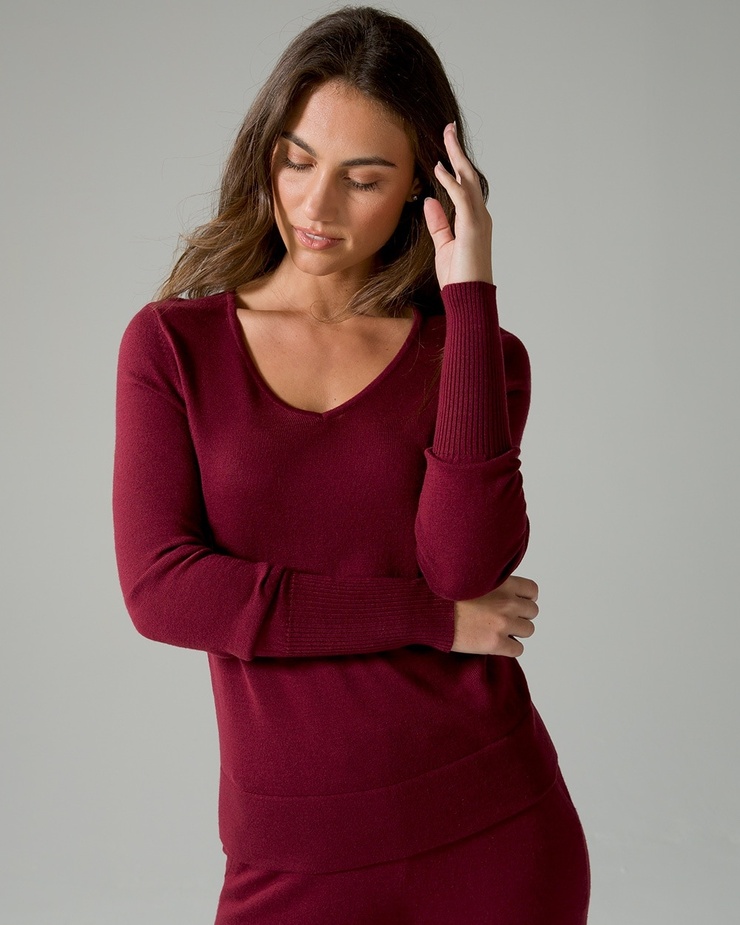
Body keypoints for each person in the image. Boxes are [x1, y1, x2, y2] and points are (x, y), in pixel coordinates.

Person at [113, 6, 590, 923]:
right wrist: (426, 619)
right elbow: (163, 590)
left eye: (363, 179)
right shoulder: (173, 347)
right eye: (297, 161)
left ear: (423, 189)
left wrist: (470, 292)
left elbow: (465, 566)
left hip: (493, 829)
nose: (316, 207)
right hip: (292, 851)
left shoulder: (478, 358)